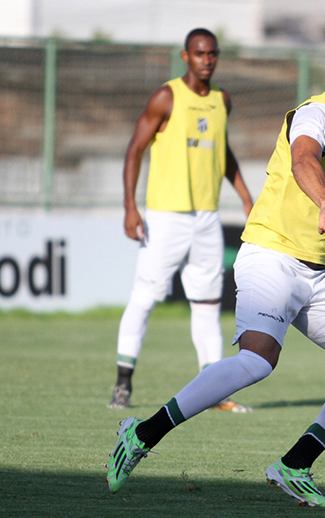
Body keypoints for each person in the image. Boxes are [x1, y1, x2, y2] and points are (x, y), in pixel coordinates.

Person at [106, 34, 325, 508]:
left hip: (315, 273)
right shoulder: (318, 115)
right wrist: (324, 200)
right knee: (258, 361)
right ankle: (141, 434)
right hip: (270, 256)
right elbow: (305, 159)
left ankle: (294, 465)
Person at [108, 28, 255, 413]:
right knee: (145, 297)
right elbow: (134, 150)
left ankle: (215, 393)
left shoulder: (223, 100)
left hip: (206, 218)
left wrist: (244, 195)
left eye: (213, 54)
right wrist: (130, 206)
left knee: (207, 305)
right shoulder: (166, 96)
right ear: (185, 56)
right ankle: (123, 383)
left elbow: (223, 152)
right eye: (200, 53)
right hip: (165, 217)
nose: (207, 60)